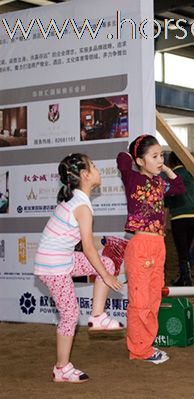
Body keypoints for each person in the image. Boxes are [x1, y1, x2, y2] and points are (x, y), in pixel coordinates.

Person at [34, 153, 123, 383]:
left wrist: (104, 271)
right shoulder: (81, 206)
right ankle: (61, 368)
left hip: (63, 259)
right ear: (84, 175)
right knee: (70, 314)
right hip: (53, 265)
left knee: (107, 261)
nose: (97, 168)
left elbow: (89, 251)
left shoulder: (78, 200)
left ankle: (97, 316)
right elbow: (88, 248)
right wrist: (105, 277)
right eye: (93, 165)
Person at [117, 135, 185, 364]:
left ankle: (145, 345)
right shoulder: (132, 179)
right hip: (141, 245)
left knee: (154, 298)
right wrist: (136, 156)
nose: (160, 160)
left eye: (162, 155)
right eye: (154, 156)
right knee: (140, 301)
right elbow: (122, 158)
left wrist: (163, 166)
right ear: (140, 160)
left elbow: (179, 186)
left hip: (158, 244)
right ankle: (139, 350)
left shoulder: (159, 183)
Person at [165, 152, 194, 286]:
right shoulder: (192, 175)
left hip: (178, 217)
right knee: (186, 249)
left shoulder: (171, 177)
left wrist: (164, 222)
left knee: (182, 250)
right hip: (193, 217)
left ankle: (186, 278)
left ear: (171, 162)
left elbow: (167, 204)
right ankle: (183, 276)